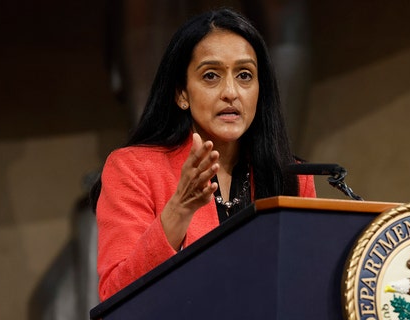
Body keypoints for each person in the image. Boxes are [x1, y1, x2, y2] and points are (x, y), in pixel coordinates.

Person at [90, 8, 316, 301]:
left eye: (245, 75)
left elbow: (310, 282)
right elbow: (115, 298)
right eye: (211, 76)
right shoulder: (133, 169)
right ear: (181, 93)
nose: (231, 92)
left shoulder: (292, 176)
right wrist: (179, 210)